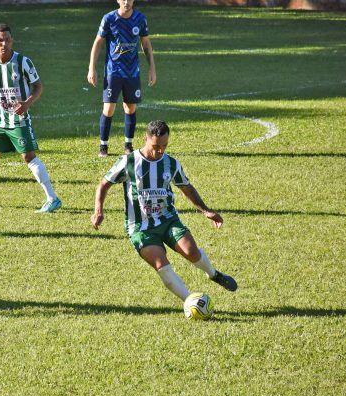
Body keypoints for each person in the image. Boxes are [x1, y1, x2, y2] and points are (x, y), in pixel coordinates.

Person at [91, 120, 237, 305]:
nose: (160, 151)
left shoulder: (171, 164)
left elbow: (187, 188)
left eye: (164, 146)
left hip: (168, 220)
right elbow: (104, 185)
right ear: (145, 138)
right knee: (162, 265)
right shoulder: (128, 162)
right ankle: (191, 303)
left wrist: (206, 211)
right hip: (140, 228)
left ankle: (214, 274)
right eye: (156, 146)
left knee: (192, 252)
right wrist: (98, 211)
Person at [0, 23, 62, 213]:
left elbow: (38, 86)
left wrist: (27, 104)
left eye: (7, 40)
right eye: (0, 40)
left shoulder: (23, 62)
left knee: (28, 156)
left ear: (12, 41)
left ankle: (52, 198)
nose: (4, 44)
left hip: (18, 120)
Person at [87, 0, 157, 157]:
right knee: (109, 108)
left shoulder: (140, 19)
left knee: (130, 108)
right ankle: (103, 146)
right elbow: (97, 43)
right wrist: (92, 68)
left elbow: (145, 44)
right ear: (118, 0)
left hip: (132, 73)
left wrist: (152, 68)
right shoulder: (109, 19)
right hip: (113, 72)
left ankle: (128, 145)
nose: (126, 2)